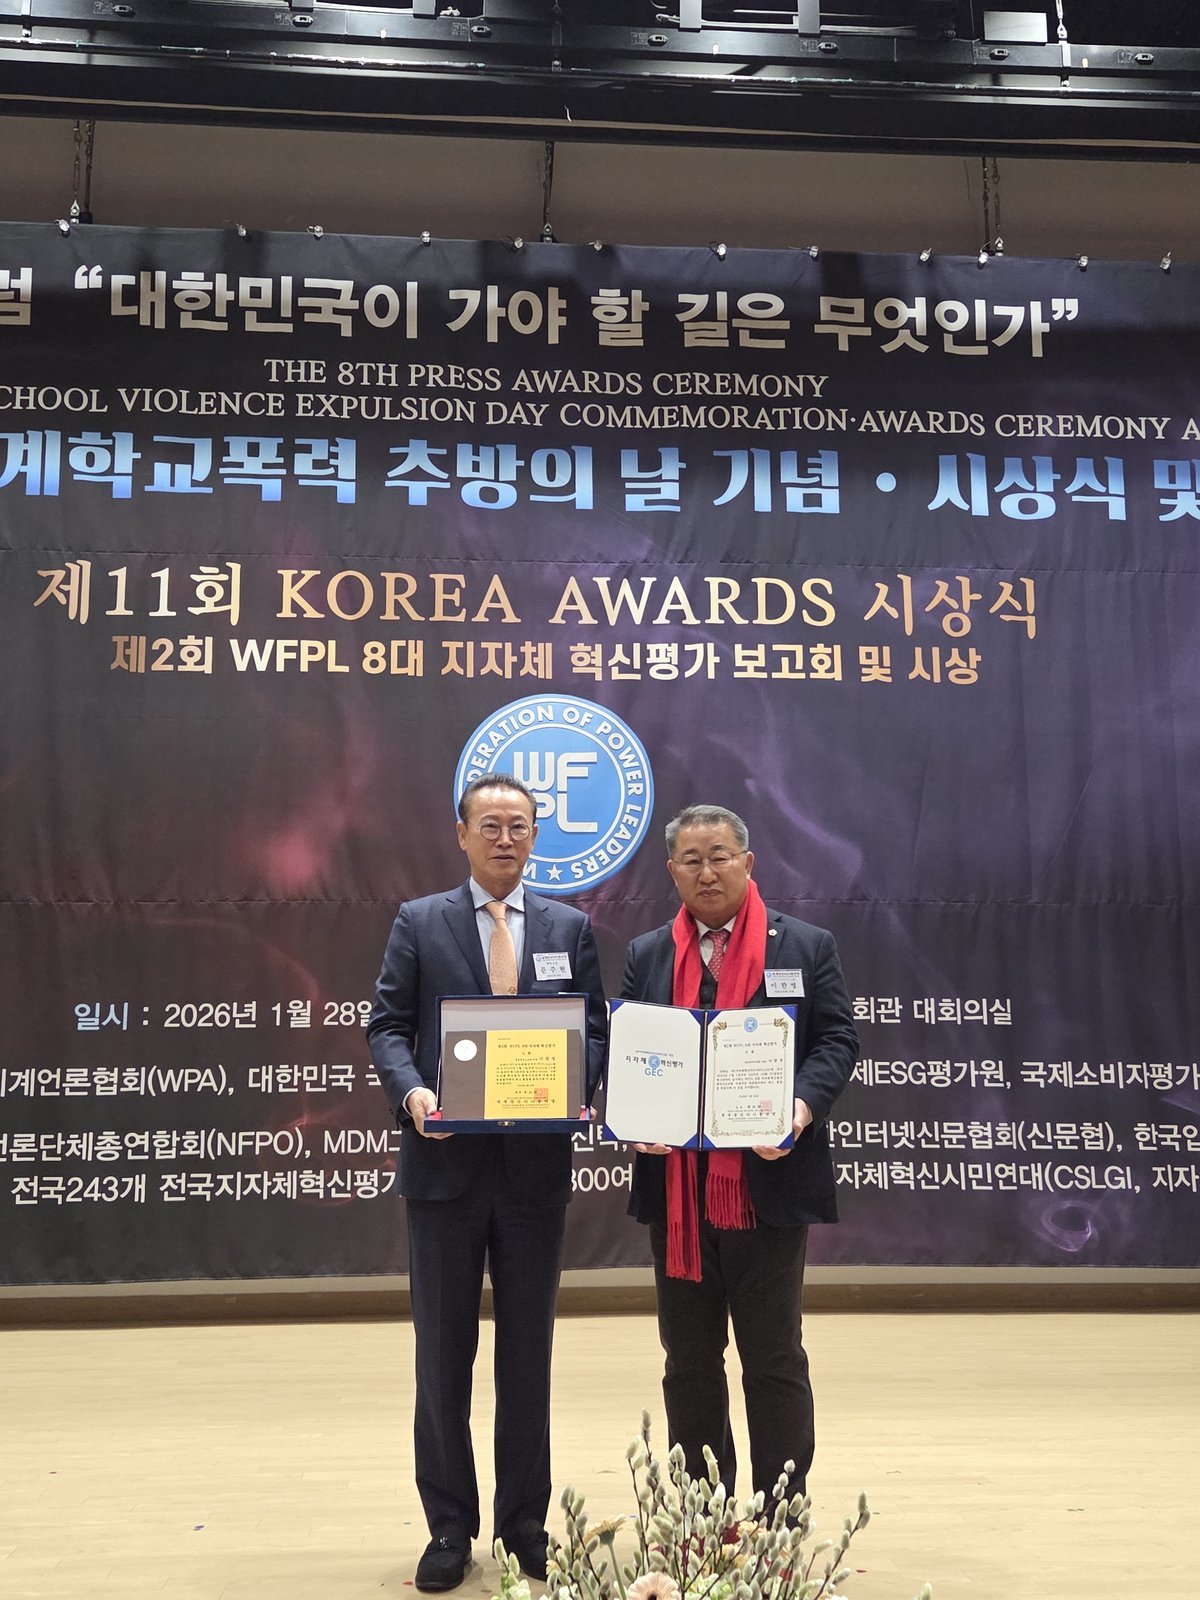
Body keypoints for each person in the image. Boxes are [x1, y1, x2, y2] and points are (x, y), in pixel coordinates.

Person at [367, 773, 607, 1593]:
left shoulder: (569, 926)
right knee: (443, 1354)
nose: (506, 838)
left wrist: (578, 1083)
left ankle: (524, 1524)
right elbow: (388, 1026)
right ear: (462, 834)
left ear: (536, 836)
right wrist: (413, 1094)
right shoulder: (420, 921)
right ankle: (448, 1527)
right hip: (444, 1170)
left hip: (535, 1171)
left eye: (520, 826)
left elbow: (594, 1028)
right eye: (491, 825)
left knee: (527, 1353)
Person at [620, 803, 858, 1510]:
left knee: (774, 1358)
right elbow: (631, 1049)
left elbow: (837, 1041)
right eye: (691, 860)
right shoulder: (647, 954)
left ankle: (780, 1513)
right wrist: (635, 1116)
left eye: (720, 856)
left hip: (767, 1188)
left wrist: (799, 1109)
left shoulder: (805, 946)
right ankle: (704, 1515)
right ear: (672, 872)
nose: (707, 871)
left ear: (748, 863)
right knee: (689, 1362)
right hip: (677, 1193)